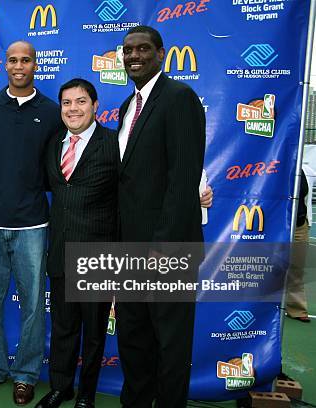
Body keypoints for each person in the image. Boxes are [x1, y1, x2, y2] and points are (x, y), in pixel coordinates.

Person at [0, 40, 63, 405]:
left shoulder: (51, 112)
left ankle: (25, 374)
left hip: (33, 223)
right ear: (5, 65)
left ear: (36, 64)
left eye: (26, 60)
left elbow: (60, 168)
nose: (19, 65)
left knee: (33, 305)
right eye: (13, 60)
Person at [115, 25, 206, 407]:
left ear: (161, 54)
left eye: (142, 49)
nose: (134, 56)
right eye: (127, 50)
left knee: (170, 340)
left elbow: (182, 181)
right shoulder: (126, 107)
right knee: (133, 335)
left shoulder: (180, 98)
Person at [36, 78, 118, 408]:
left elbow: (137, 192)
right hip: (59, 251)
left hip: (97, 255)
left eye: (81, 101)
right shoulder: (53, 142)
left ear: (95, 106)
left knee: (95, 333)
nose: (73, 108)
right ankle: (61, 387)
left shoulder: (114, 143)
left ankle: (86, 394)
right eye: (67, 103)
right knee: (63, 327)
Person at [285, 166, 314, 323]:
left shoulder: (306, 170)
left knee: (296, 267)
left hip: (299, 224)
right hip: (276, 223)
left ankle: (296, 308)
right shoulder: (273, 162)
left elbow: (306, 198)